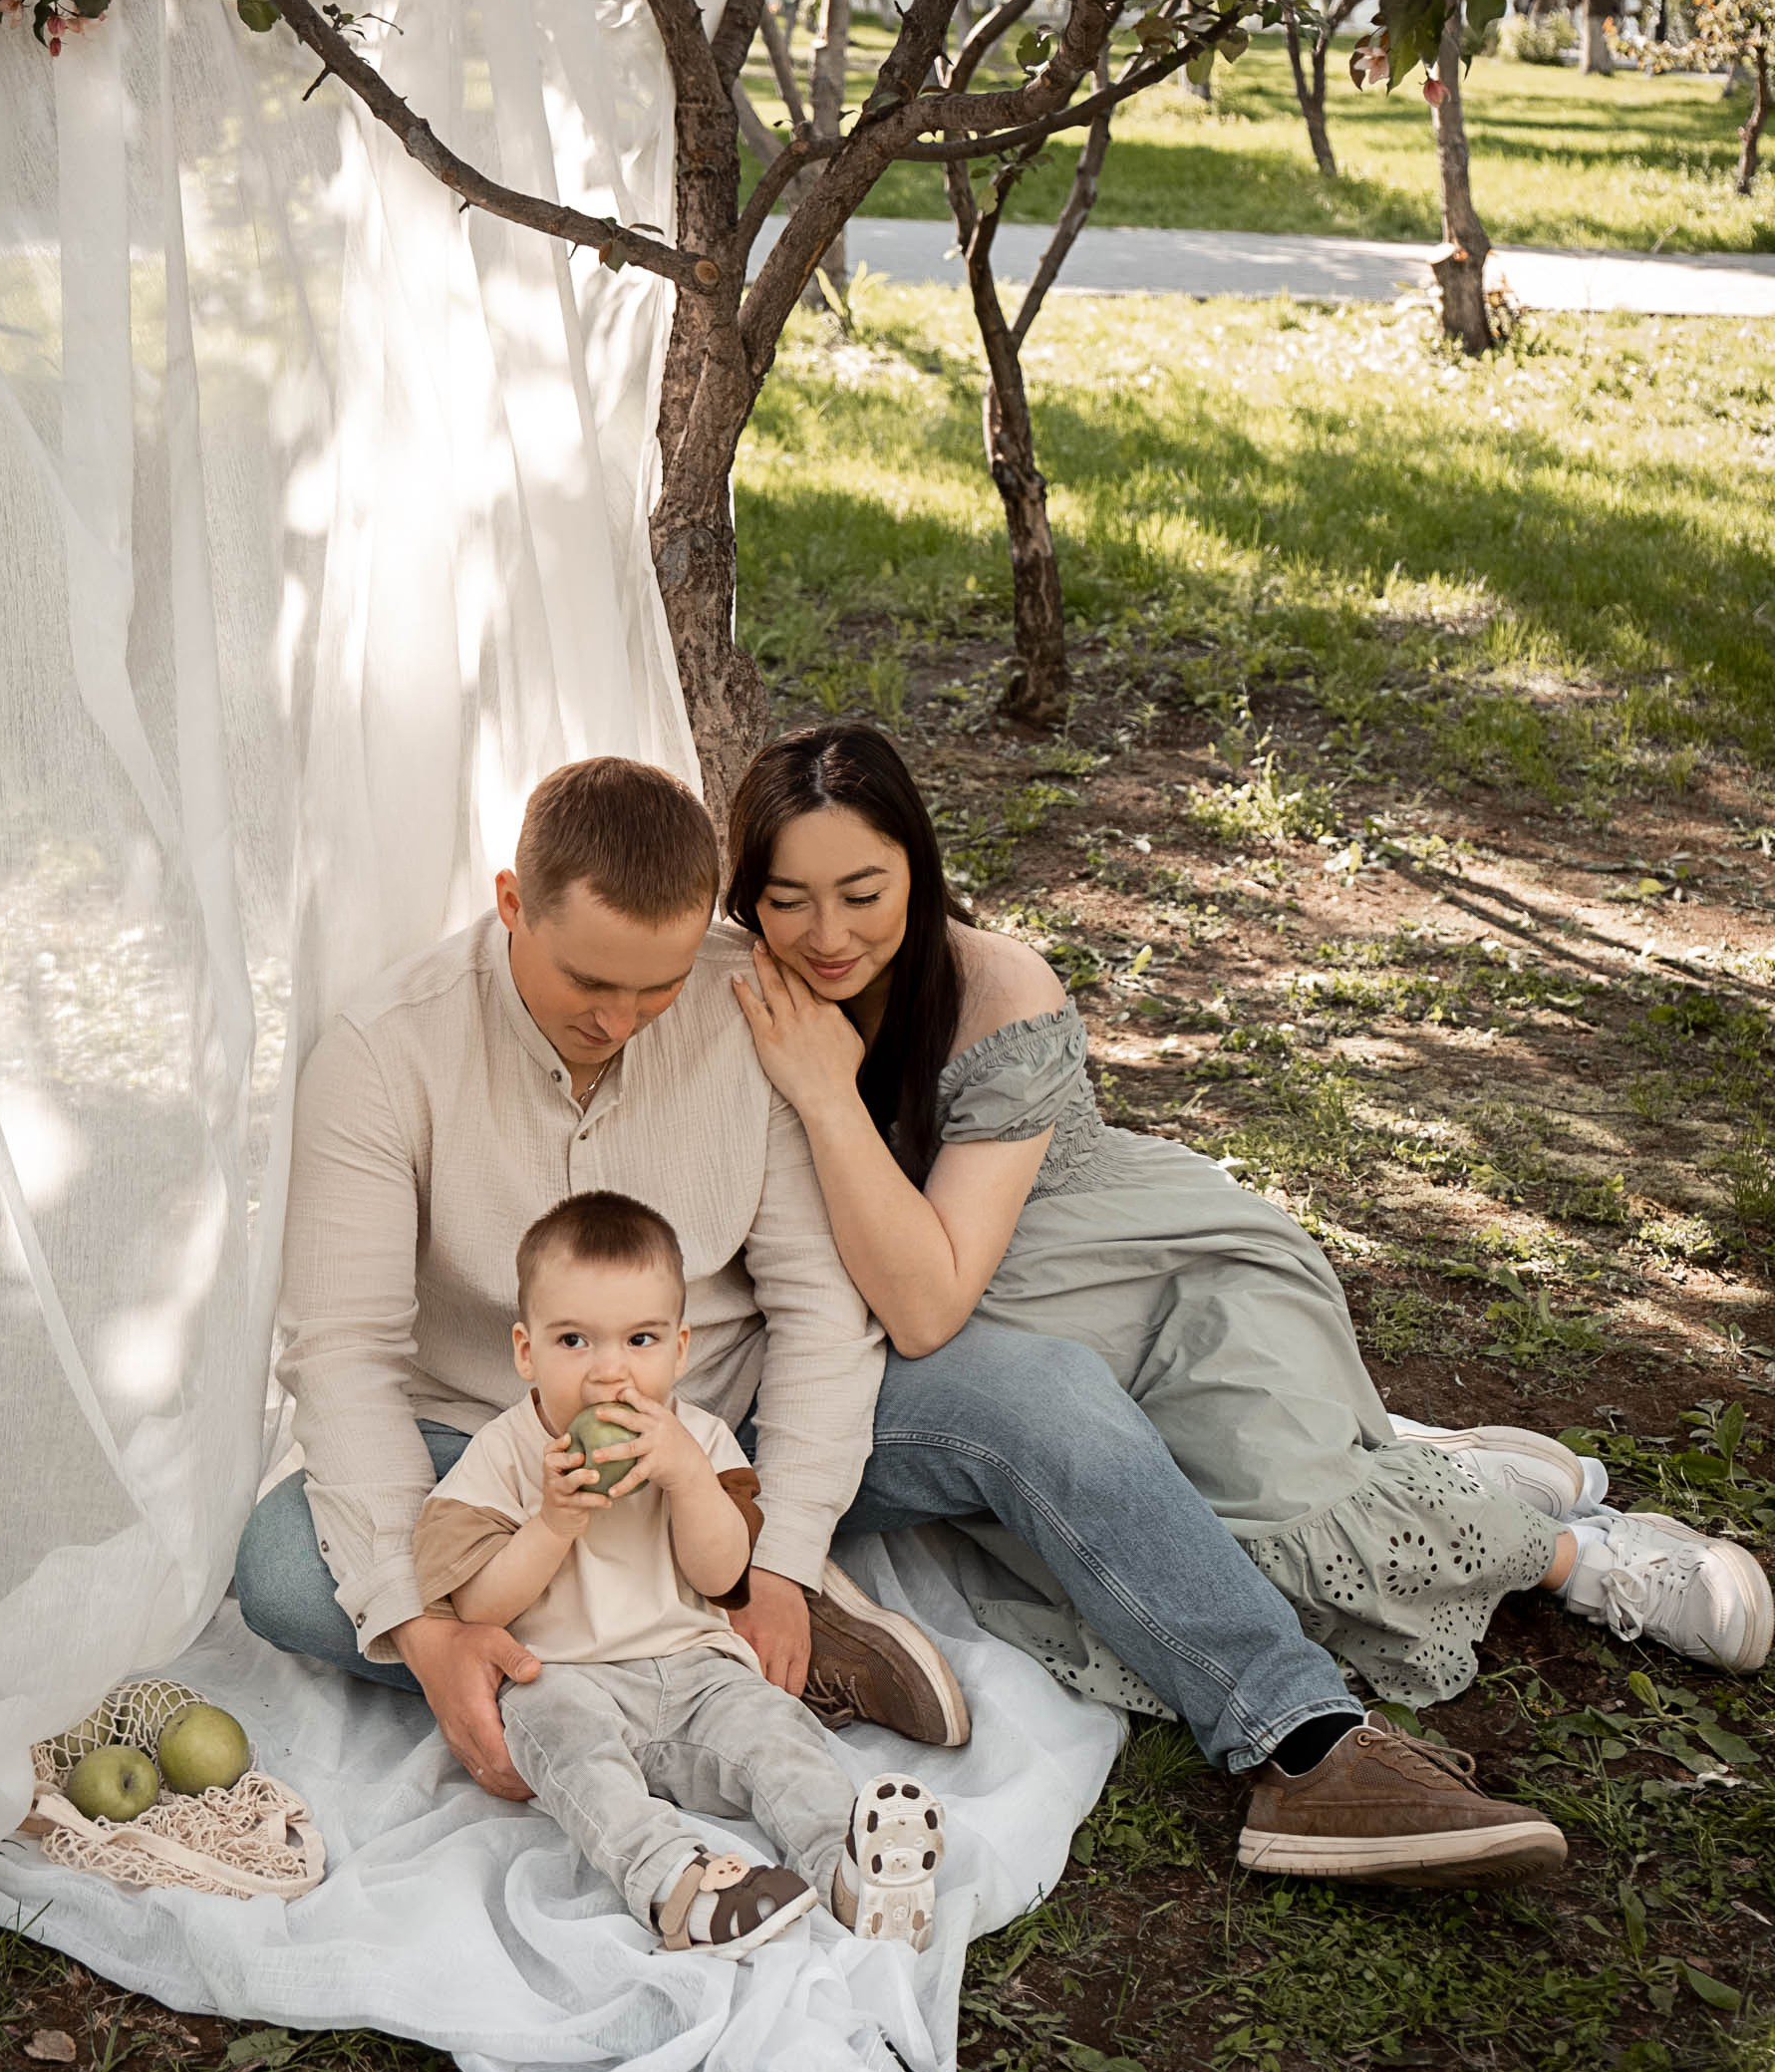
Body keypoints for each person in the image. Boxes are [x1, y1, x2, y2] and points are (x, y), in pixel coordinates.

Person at [236, 750, 1572, 1889]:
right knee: (292, 1569)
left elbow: (822, 1311)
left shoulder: (741, 998)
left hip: (735, 1411)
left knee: (1040, 1396)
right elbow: (344, 1356)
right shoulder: (384, 1053)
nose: (624, 1020)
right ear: (512, 904)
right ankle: (685, 1654)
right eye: (591, 981)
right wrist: (427, 1626)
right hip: (496, 1432)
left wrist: (782, 1558)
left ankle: (1306, 1746)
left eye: (656, 986)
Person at [724, 722, 1773, 1732]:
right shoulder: (741, 991)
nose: (827, 936)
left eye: (863, 893)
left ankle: (1573, 1559)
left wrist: (824, 1095)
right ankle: (1435, 1467)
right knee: (1176, 1548)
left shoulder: (994, 986)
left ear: (918, 866)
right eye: (787, 901)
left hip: (1135, 1273)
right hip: (998, 1347)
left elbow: (923, 1305)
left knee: (1295, 1529)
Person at [412, 1187, 946, 1955]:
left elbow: (726, 1574)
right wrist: (553, 1521)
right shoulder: (502, 1453)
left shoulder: (699, 1438)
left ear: (681, 1348)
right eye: (574, 1342)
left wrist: (689, 1479)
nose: (608, 1374)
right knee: (566, 1749)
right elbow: (477, 1605)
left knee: (778, 1735)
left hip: (697, 1671)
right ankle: (678, 1885)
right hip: (565, 1676)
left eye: (639, 1340)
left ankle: (847, 1869)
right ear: (525, 1350)